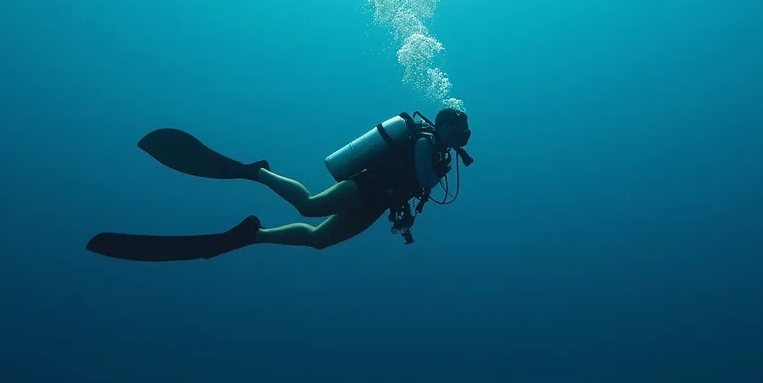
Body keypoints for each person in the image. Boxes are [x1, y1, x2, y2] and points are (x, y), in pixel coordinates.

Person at [86, 108, 473, 262]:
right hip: (365, 187)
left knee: (318, 240)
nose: (464, 138)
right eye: (460, 131)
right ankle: (258, 171)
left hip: (376, 206)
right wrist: (440, 164)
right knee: (307, 205)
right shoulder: (424, 143)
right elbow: (422, 179)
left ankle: (253, 235)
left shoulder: (441, 155)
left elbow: (422, 188)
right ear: (445, 127)